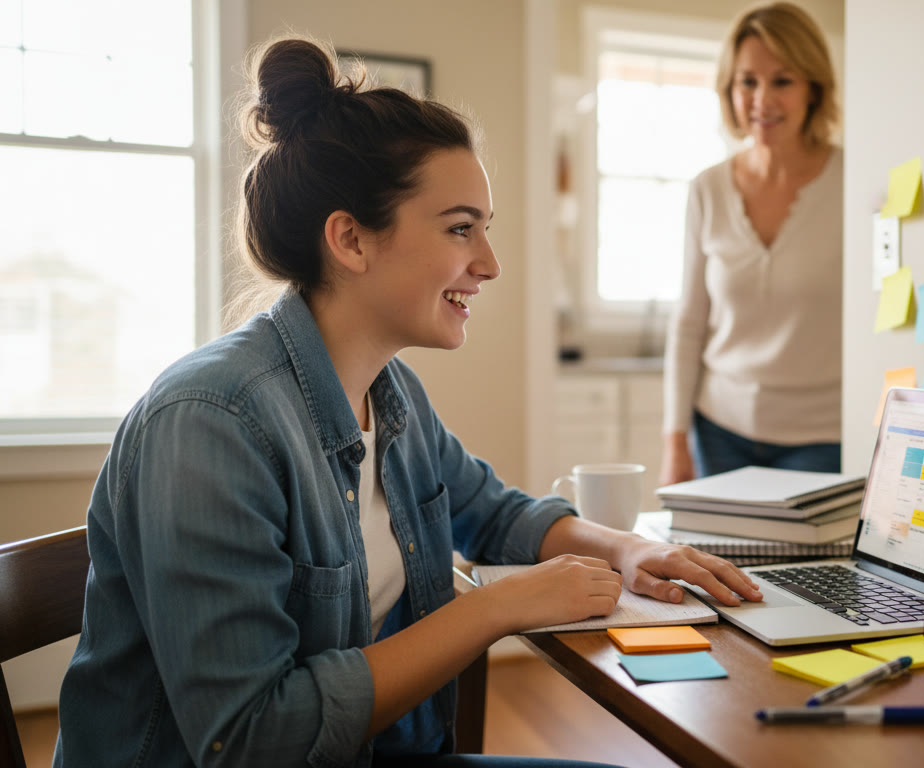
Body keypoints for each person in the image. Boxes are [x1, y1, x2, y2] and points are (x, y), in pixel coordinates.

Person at [53, 37, 760, 768]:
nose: (488, 263)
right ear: (351, 240)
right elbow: (253, 738)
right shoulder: (210, 423)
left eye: (486, 229)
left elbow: (494, 512)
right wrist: (498, 608)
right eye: (461, 228)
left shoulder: (391, 395)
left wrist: (633, 548)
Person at [661, 2, 843, 486]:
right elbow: (689, 323)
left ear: (812, 87)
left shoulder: (855, 180)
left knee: (802, 565)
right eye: (747, 81)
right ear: (729, 89)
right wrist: (674, 440)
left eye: (782, 80)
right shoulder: (707, 188)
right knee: (714, 563)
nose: (762, 99)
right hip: (718, 430)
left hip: (823, 438)